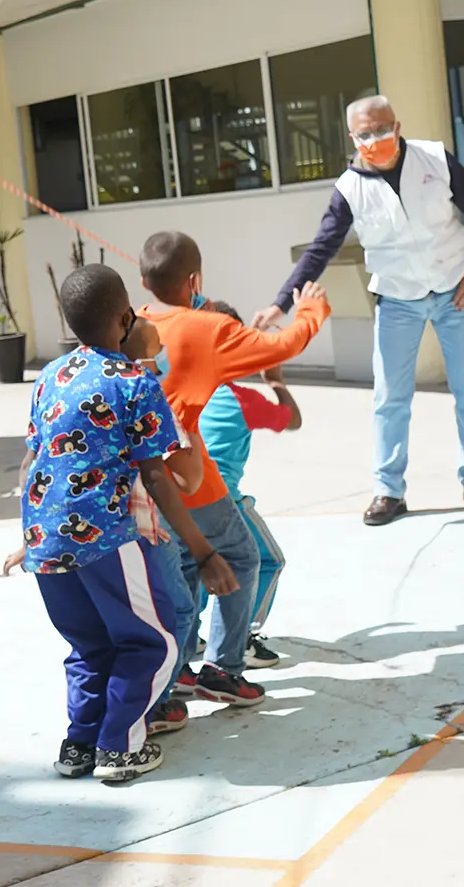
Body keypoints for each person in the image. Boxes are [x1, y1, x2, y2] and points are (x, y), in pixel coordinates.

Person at [15, 264, 237, 783]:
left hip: (45, 540)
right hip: (105, 537)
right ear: (125, 318)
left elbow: (32, 459)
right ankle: (118, 749)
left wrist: (26, 535)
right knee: (153, 644)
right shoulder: (134, 381)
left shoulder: (51, 376)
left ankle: (79, 746)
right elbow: (158, 476)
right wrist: (204, 552)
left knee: (90, 647)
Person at [254, 94, 464, 526]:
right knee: (390, 398)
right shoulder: (349, 188)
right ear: (352, 137)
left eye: (382, 129)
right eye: (364, 134)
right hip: (397, 300)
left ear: (398, 126)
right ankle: (389, 491)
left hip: (454, 290)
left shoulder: (434, 159)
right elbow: (321, 248)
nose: (375, 139)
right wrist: (281, 304)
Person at [138, 231, 329, 711]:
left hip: (146, 483)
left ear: (143, 282)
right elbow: (283, 346)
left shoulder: (133, 324)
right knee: (243, 558)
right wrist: (311, 309)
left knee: (184, 570)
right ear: (195, 279)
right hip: (192, 480)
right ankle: (224, 669)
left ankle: (180, 670)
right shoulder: (208, 330)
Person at [195, 303, 301, 669]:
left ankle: (190, 637)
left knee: (194, 567)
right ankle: (241, 640)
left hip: (177, 501)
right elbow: (292, 420)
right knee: (269, 560)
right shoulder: (241, 400)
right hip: (223, 500)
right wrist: (275, 380)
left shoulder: (177, 389)